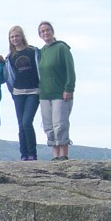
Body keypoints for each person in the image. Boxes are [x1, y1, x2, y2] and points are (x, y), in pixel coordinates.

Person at [36, 21, 75, 159]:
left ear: (52, 31)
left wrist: (69, 88)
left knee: (60, 124)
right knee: (49, 126)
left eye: (47, 30)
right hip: (45, 94)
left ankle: (63, 155)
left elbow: (70, 70)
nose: (45, 33)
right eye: (42, 31)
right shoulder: (41, 52)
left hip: (60, 93)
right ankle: (55, 155)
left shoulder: (62, 48)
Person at [5, 26, 40, 160]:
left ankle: (32, 154)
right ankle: (23, 154)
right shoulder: (10, 56)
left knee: (27, 122)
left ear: (22, 36)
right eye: (12, 37)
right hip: (18, 92)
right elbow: (8, 75)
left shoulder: (33, 51)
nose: (14, 39)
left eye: (17, 36)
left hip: (33, 91)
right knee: (21, 123)